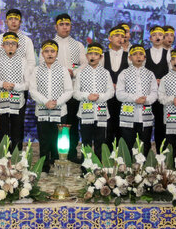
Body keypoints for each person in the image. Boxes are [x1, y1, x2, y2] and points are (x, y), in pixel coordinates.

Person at [29, 40, 73, 173]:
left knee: (58, 140)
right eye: (47, 51)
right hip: (42, 111)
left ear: (57, 53)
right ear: (42, 53)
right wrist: (45, 102)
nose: (50, 54)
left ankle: (57, 163)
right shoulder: (36, 70)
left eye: (52, 51)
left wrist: (56, 102)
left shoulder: (63, 70)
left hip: (59, 111)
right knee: (44, 139)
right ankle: (44, 165)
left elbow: (69, 90)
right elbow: (33, 90)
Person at [51, 13, 86, 163]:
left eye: (68, 24)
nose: (65, 27)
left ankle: (71, 153)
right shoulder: (50, 44)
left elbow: (84, 64)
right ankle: (53, 154)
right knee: (54, 122)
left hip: (72, 89)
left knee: (72, 122)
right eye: (62, 24)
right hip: (54, 90)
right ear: (56, 26)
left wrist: (74, 72)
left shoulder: (78, 45)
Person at [0, 32, 29, 150]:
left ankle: (17, 159)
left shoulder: (24, 62)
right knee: (3, 132)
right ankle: (4, 158)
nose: (10, 46)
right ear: (2, 46)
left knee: (17, 131)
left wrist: (15, 86)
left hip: (18, 101)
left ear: (18, 46)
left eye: (13, 43)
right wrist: (2, 84)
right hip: (2, 102)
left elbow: (28, 84)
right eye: (7, 43)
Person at [74, 42, 114, 160]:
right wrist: (87, 96)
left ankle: (98, 166)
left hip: (101, 113)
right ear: (86, 56)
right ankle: (86, 167)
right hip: (85, 113)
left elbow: (111, 92)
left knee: (100, 141)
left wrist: (99, 97)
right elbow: (75, 93)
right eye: (90, 54)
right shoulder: (81, 73)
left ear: (101, 57)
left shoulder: (106, 73)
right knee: (85, 141)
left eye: (96, 54)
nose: (93, 56)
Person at [116, 45, 158, 154]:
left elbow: (155, 93)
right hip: (128, 116)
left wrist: (146, 99)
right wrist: (135, 99)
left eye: (140, 54)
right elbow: (119, 94)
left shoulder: (150, 74)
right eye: (134, 54)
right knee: (128, 145)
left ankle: (143, 169)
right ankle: (128, 169)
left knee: (145, 145)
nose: (138, 57)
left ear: (144, 57)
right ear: (130, 58)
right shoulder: (124, 73)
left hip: (145, 116)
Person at [103, 25, 129, 148]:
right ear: (109, 38)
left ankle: (120, 156)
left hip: (123, 98)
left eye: (122, 36)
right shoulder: (103, 56)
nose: (120, 39)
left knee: (122, 127)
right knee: (107, 127)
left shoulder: (129, 57)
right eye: (117, 35)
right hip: (107, 97)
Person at [145, 26, 169, 152]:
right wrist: (153, 81)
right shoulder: (144, 53)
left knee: (161, 124)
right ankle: (146, 152)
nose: (158, 37)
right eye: (155, 35)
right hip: (148, 94)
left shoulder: (169, 54)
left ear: (164, 38)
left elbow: (172, 73)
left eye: (160, 34)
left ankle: (161, 153)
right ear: (150, 38)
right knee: (146, 124)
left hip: (163, 94)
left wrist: (162, 81)